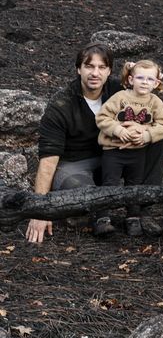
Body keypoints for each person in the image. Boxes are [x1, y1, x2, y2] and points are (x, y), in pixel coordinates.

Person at [27, 45, 124, 243]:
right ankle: (99, 213)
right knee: (82, 195)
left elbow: (145, 87)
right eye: (89, 66)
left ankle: (140, 212)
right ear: (79, 69)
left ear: (109, 71)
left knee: (157, 142)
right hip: (73, 164)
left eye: (101, 67)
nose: (95, 73)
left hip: (110, 159)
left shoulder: (116, 91)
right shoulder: (61, 105)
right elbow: (48, 160)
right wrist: (39, 210)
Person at [94, 60, 163, 237]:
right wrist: (117, 129)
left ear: (156, 83)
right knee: (110, 183)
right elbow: (102, 117)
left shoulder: (155, 102)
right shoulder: (121, 97)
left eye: (149, 79)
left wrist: (147, 135)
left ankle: (132, 217)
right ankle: (103, 218)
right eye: (140, 78)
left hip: (138, 152)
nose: (144, 82)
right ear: (130, 80)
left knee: (134, 185)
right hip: (113, 151)